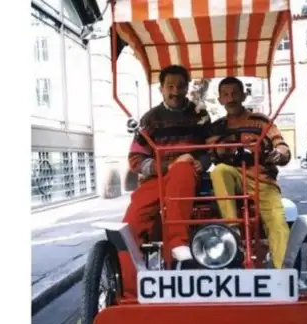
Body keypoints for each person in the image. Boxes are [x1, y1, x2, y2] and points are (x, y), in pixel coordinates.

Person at [122, 64, 211, 266]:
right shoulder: (149, 119)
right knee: (132, 221)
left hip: (188, 175)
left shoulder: (200, 116)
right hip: (158, 178)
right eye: (170, 86)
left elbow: (210, 149)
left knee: (182, 170)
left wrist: (202, 163)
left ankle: (178, 244)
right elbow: (136, 158)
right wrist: (165, 167)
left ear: (187, 88)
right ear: (161, 88)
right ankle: (129, 287)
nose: (175, 92)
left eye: (180, 86)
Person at [207, 76, 291, 269]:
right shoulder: (217, 127)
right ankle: (233, 228)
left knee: (278, 222)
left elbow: (281, 145)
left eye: (235, 93)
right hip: (233, 175)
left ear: (244, 95)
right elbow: (212, 153)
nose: (231, 98)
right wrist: (223, 148)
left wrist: (279, 154)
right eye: (225, 95)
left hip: (262, 179)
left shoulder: (260, 121)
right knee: (219, 171)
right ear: (220, 99)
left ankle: (283, 273)